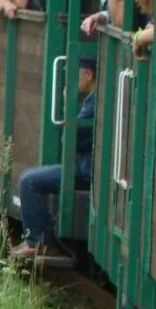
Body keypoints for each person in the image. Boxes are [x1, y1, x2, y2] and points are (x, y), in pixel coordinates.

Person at [10, 56, 97, 260]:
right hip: (82, 164)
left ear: (88, 75)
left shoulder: (93, 103)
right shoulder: (94, 99)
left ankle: (40, 243)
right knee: (28, 177)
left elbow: (71, 138)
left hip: (84, 169)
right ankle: (39, 240)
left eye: (76, 75)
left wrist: (68, 103)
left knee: (28, 181)